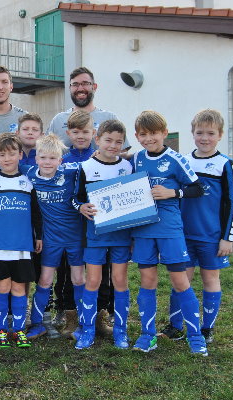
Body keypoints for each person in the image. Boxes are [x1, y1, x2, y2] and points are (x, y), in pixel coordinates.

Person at [130, 110, 208, 356]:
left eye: (153, 133)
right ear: (137, 136)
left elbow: (198, 188)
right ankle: (147, 334)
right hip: (143, 230)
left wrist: (174, 193)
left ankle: (195, 336)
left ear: (164, 133)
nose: (148, 138)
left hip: (170, 230)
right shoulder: (136, 159)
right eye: (143, 135)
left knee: (180, 281)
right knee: (147, 282)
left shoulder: (176, 160)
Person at [161, 109, 233, 344]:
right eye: (199, 132)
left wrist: (227, 237)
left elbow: (232, 203)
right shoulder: (183, 161)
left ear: (220, 135)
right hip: (182, 234)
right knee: (180, 279)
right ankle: (175, 326)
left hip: (211, 236)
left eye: (210, 133)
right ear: (192, 133)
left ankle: (207, 328)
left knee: (210, 279)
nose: (204, 138)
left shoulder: (225, 165)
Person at [74, 120, 133, 349]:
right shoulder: (86, 167)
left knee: (119, 280)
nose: (113, 145)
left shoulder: (128, 168)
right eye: (108, 140)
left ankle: (121, 330)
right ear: (97, 139)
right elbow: (76, 197)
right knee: (93, 280)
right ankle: (87, 329)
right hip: (95, 234)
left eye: (119, 141)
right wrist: (81, 207)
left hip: (121, 233)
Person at [21, 134, 84, 342]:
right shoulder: (28, 174)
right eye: (43, 157)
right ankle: (37, 323)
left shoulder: (72, 172)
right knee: (45, 280)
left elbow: (96, 164)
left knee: (78, 279)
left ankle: (84, 323)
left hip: (74, 236)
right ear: (36, 158)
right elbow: (2, 161)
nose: (47, 162)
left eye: (52, 158)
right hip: (50, 239)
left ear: (60, 160)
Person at [56, 110, 114, 337]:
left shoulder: (101, 156)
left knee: (102, 273)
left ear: (94, 133)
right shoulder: (62, 159)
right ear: (68, 133)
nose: (81, 136)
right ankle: (71, 317)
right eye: (76, 132)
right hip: (70, 227)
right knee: (71, 273)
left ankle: (100, 317)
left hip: (101, 227)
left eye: (86, 131)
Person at [0, 132, 42, 348]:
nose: (7, 159)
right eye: (2, 154)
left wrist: (39, 236)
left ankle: (18, 330)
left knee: (19, 289)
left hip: (22, 246)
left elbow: (36, 213)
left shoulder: (28, 181)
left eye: (11, 154)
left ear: (20, 155)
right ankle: (2, 330)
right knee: (1, 288)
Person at [48, 66, 127, 149]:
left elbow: (122, 153)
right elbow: (45, 151)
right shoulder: (58, 120)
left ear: (94, 87)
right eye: (75, 84)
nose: (80, 88)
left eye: (85, 83)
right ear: (70, 88)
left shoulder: (109, 118)